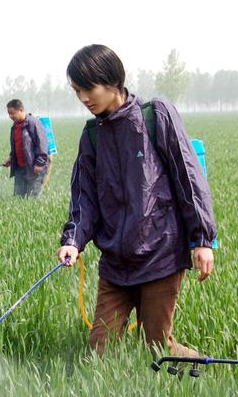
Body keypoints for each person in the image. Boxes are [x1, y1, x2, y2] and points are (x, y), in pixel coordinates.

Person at [56, 45, 217, 357]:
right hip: (116, 263)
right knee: (99, 352)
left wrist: (202, 239)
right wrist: (73, 240)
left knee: (157, 349)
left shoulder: (155, 116)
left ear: (112, 81)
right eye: (77, 91)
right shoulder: (91, 136)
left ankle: (196, 366)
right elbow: (83, 197)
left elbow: (188, 177)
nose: (84, 99)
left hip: (160, 254)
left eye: (88, 89)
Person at [2, 99, 49, 197]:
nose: (10, 116)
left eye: (12, 113)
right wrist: (11, 157)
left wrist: (39, 163)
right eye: (9, 114)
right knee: (18, 198)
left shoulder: (34, 123)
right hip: (20, 168)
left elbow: (42, 145)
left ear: (21, 110)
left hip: (34, 168)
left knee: (32, 199)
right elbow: (18, 145)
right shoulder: (15, 126)